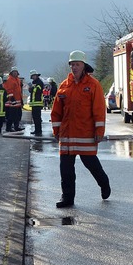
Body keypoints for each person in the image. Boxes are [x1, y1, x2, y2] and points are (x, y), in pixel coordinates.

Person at [51, 51, 111, 208]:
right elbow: (56, 111)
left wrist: (99, 132)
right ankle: (67, 198)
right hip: (67, 135)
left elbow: (99, 110)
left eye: (77, 64)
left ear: (84, 66)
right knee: (66, 170)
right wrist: (56, 131)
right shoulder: (64, 86)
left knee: (92, 165)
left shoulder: (93, 85)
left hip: (86, 134)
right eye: (72, 64)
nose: (74, 67)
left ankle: (104, 184)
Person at [3, 67, 23, 132]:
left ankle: (16, 127)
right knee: (11, 115)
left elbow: (19, 90)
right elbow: (8, 90)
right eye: (14, 72)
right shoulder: (9, 79)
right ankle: (8, 128)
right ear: (11, 72)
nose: (15, 73)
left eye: (16, 72)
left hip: (18, 101)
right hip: (12, 101)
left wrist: (21, 99)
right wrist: (12, 98)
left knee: (18, 115)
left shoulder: (17, 79)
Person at [28, 69, 45, 136]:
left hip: (37, 103)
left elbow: (38, 90)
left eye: (34, 76)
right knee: (35, 118)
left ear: (36, 75)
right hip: (34, 103)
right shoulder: (34, 82)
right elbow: (32, 91)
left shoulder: (39, 82)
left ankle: (38, 131)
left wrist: (32, 88)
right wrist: (30, 88)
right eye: (32, 76)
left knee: (37, 118)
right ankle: (36, 130)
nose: (33, 77)